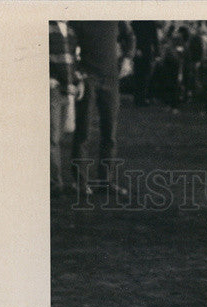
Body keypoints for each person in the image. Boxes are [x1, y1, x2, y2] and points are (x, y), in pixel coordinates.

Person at [70, 20, 136, 198]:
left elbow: (130, 36)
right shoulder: (79, 18)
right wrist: (77, 74)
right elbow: (69, 47)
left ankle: (105, 182)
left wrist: (128, 58)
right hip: (88, 78)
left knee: (110, 134)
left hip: (111, 79)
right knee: (83, 132)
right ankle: (80, 183)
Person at [49, 20, 77, 196]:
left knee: (59, 135)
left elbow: (73, 60)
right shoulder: (46, 28)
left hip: (67, 89)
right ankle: (55, 182)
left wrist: (76, 81)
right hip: (52, 89)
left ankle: (55, 180)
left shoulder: (72, 32)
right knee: (52, 137)